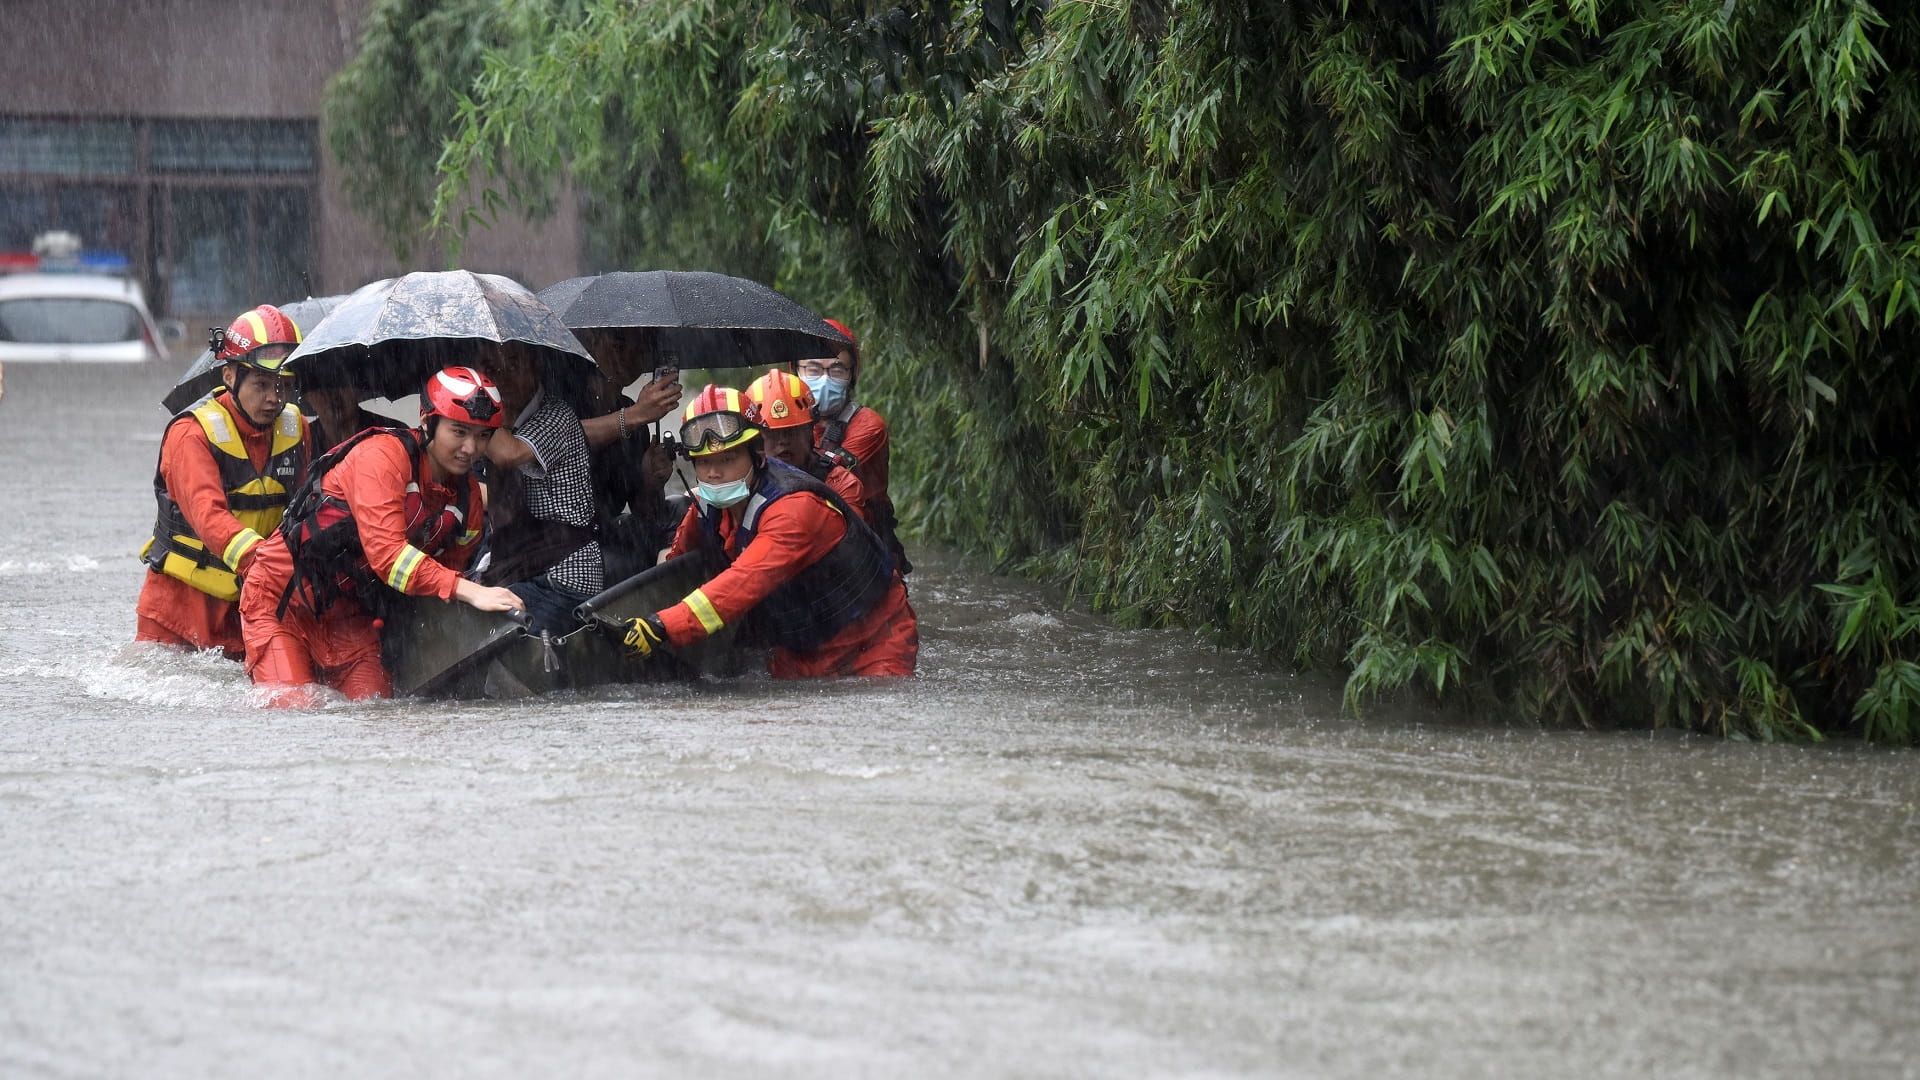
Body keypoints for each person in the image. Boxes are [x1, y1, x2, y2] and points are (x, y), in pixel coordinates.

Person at [238, 366, 525, 706]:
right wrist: (472, 591)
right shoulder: (383, 456)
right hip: (282, 602)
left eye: (482, 436)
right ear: (426, 419)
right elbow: (389, 558)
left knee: (378, 711)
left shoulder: (469, 500)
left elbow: (446, 577)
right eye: (459, 431)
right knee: (296, 710)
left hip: (351, 616)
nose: (470, 448)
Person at [610, 385, 917, 678]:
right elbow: (677, 566)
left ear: (757, 456)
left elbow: (742, 583)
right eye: (704, 463)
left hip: (873, 645)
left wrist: (661, 626)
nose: (714, 473)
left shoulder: (795, 510)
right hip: (798, 651)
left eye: (727, 459)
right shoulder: (707, 503)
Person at [136, 304, 312, 658]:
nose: (273, 398)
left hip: (250, 609)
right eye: (262, 384)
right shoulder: (191, 434)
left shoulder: (298, 428)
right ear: (230, 376)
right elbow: (208, 516)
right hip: (178, 615)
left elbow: (304, 511)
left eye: (283, 385)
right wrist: (267, 564)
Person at [471, 343, 605, 634]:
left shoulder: (556, 415)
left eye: (514, 363)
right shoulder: (494, 429)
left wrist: (473, 402)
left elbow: (508, 453)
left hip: (563, 577)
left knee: (491, 632)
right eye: (492, 369)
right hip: (518, 568)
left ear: (536, 366)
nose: (503, 377)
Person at [798, 318, 910, 573]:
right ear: (795, 371)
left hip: (864, 549)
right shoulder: (784, 423)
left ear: (851, 376)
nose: (824, 381)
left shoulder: (868, 425)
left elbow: (820, 478)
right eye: (813, 369)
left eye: (837, 370)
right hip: (802, 538)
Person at [573, 330, 684, 581]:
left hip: (608, 531)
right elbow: (563, 436)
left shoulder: (634, 420)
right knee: (619, 564)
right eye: (618, 343)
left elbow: (645, 511)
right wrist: (634, 416)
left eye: (640, 347)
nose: (629, 355)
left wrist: (651, 480)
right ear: (592, 341)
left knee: (681, 512)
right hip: (563, 542)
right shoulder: (563, 394)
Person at [743, 367, 865, 513]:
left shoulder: (841, 484)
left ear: (810, 431)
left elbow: (853, 533)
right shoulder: (740, 484)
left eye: (792, 431)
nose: (783, 441)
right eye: (772, 433)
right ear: (755, 439)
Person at [302, 382, 397, 453]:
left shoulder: (392, 433)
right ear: (307, 397)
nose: (333, 396)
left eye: (342, 385)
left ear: (358, 391)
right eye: (321, 388)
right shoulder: (299, 442)